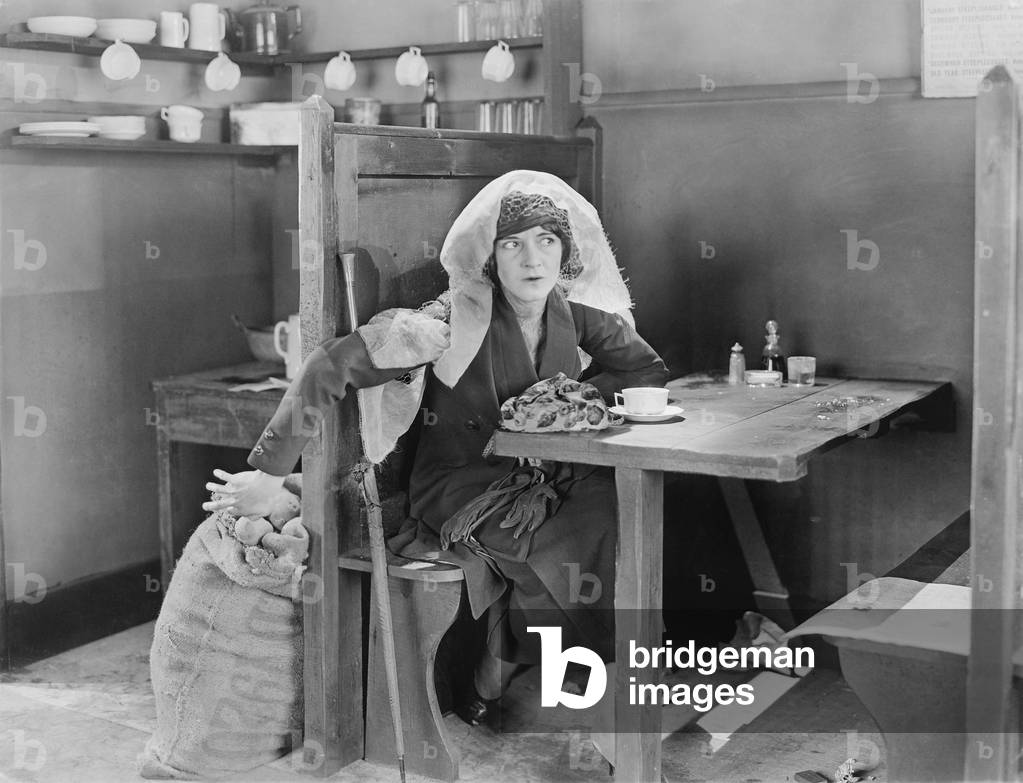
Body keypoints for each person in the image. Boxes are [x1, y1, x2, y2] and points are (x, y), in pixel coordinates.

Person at [204, 170, 668, 725]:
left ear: (564, 253)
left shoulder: (574, 312)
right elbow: (330, 366)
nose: (531, 259)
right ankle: (546, 676)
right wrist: (269, 473)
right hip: (464, 486)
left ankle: (537, 662)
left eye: (547, 241)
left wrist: (573, 399)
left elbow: (646, 370)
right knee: (554, 546)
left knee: (618, 518)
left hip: (552, 476)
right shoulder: (452, 319)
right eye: (512, 243)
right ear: (491, 258)